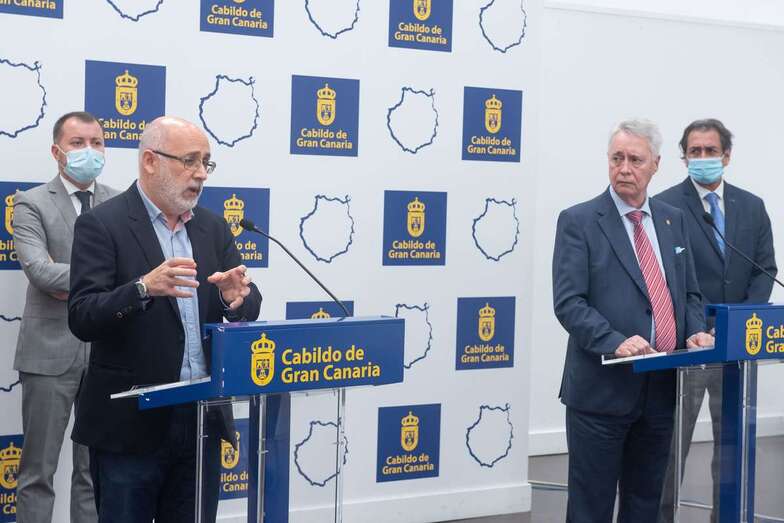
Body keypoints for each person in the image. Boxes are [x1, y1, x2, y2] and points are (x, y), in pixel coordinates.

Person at [67, 116, 262, 522]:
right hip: (130, 426)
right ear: (150, 161)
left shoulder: (213, 227)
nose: (200, 173)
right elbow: (83, 316)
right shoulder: (102, 224)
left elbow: (247, 299)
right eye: (189, 161)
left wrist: (233, 300)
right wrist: (143, 288)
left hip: (201, 420)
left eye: (206, 162)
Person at [552, 118, 713, 522]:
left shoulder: (673, 219)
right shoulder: (579, 221)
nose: (624, 168)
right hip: (602, 393)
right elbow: (569, 302)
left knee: (645, 505)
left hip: (661, 392)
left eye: (635, 160)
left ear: (656, 164)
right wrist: (614, 341)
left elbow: (689, 293)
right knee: (591, 508)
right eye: (616, 158)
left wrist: (695, 330)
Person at [655, 118, 776, 522]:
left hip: (737, 349)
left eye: (711, 150)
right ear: (684, 157)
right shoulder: (665, 207)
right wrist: (701, 327)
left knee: (732, 447)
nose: (703, 157)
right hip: (689, 347)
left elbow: (764, 269)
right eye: (695, 151)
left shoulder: (752, 206)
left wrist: (736, 324)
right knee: (672, 446)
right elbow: (669, 276)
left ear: (726, 156)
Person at [13, 111, 119, 523]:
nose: (89, 151)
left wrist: (74, 279)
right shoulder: (31, 202)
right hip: (48, 355)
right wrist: (103, 279)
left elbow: (134, 272)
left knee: (94, 472)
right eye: (78, 143)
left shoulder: (120, 203)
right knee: (37, 472)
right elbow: (40, 272)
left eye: (96, 142)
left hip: (107, 354)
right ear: (57, 151)